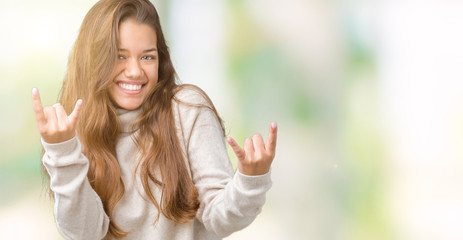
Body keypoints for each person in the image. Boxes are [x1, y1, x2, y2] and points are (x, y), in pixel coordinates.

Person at [31, 0, 277, 239]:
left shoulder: (187, 110)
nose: (135, 71)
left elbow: (219, 217)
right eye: (120, 56)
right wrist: (63, 153)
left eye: (147, 57)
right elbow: (85, 233)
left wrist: (249, 182)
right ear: (93, 60)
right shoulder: (75, 127)